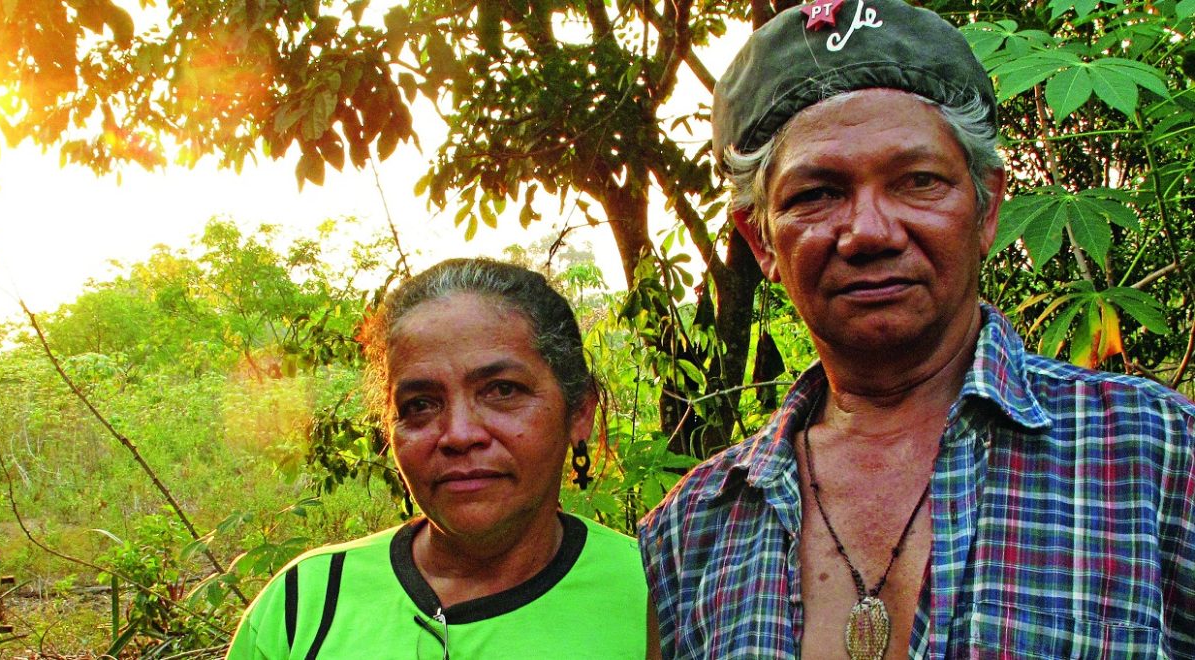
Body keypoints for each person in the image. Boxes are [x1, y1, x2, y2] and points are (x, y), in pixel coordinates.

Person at [637, 1, 1195, 658]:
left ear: (986, 209)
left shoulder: (1158, 459)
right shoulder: (688, 535)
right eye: (817, 193)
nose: (869, 231)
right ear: (760, 240)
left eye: (917, 181)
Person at [228, 258, 655, 659]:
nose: (459, 435)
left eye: (502, 390)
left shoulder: (663, 596)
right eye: (420, 405)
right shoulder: (305, 605)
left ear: (579, 410)